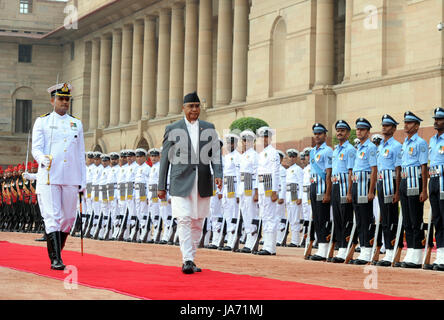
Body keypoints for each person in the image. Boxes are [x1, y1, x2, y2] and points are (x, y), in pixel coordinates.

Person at [157, 92, 223, 274]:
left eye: (197, 106)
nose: (194, 109)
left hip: (202, 181)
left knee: (198, 222)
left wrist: (218, 173)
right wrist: (161, 186)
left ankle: (191, 258)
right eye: (191, 106)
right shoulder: (173, 128)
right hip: (180, 181)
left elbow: (215, 154)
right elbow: (164, 159)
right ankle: (186, 258)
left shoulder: (209, 128)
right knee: (184, 219)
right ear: (183, 108)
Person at [31, 83, 86, 270]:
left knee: (69, 218)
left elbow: (80, 154)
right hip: (49, 176)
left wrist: (83, 181)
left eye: (67, 99)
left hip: (71, 177)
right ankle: (55, 258)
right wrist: (41, 159)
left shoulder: (76, 123)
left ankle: (57, 251)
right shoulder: (43, 121)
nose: (64, 102)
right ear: (52, 100)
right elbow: (36, 148)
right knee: (52, 216)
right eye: (61, 99)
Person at [399, 111, 428, 268]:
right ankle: (410, 249)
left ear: (416, 126)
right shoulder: (405, 142)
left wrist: (424, 189)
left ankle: (417, 252)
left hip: (414, 182)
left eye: (409, 123)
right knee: (407, 219)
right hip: (404, 181)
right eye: (405, 122)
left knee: (415, 217)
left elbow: (423, 167)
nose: (406, 125)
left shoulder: (420, 142)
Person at [349, 118, 378, 265]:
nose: (359, 131)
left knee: (366, 218)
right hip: (356, 185)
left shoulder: (370, 147)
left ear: (368, 132)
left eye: (362, 129)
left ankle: (367, 250)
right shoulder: (358, 148)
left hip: (364, 186)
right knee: (359, 218)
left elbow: (374, 169)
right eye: (358, 129)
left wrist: (371, 190)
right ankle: (363, 247)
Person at [375, 115, 402, 267]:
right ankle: (388, 249)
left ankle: (392, 250)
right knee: (384, 218)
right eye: (383, 125)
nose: (384, 128)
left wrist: (397, 191)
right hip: (381, 183)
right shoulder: (381, 147)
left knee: (391, 218)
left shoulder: (396, 146)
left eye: (387, 126)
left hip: (391, 183)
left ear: (393, 129)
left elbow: (398, 170)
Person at [330, 120, 355, 263]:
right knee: (338, 218)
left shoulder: (350, 149)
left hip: (346, 186)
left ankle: (346, 247)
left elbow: (351, 171)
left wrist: (350, 192)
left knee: (346, 218)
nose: (339, 132)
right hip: (335, 185)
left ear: (347, 133)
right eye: (338, 130)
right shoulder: (336, 150)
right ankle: (340, 247)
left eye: (343, 130)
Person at [308, 123, 333, 261]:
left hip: (323, 188)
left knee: (323, 218)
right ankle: (320, 245)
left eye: (320, 133)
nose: (317, 136)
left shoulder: (328, 151)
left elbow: (329, 173)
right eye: (315, 133)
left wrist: (328, 193)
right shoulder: (312, 151)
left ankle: (324, 247)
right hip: (313, 187)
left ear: (325, 135)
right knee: (316, 218)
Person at [255, 126, 280, 255]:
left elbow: (275, 172)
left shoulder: (272, 152)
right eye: (261, 137)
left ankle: (270, 247)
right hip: (262, 187)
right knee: (264, 216)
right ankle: (266, 244)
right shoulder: (261, 153)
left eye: (266, 137)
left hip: (269, 187)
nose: (263, 139)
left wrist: (274, 190)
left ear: (270, 138)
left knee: (270, 216)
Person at [237, 130, 259, 253]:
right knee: (245, 214)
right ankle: (248, 240)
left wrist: (256, 191)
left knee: (251, 213)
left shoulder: (255, 155)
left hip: (250, 186)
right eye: (244, 140)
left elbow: (256, 173)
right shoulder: (243, 155)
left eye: (248, 140)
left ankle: (253, 240)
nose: (246, 142)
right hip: (242, 187)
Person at [428, 107, 444, 271]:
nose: (436, 121)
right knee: (437, 219)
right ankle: (440, 254)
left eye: (439, 119)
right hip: (433, 180)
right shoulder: (432, 140)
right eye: (436, 118)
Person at [220, 133, 241, 251]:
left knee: (233, 213)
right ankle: (228, 238)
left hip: (234, 185)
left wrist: (238, 193)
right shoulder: (226, 156)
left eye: (231, 142)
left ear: (235, 144)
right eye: (228, 142)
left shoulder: (237, 156)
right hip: (227, 186)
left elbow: (238, 175)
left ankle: (233, 240)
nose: (229, 145)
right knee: (227, 213)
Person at [284, 149, 304, 247]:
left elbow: (301, 183)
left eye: (293, 157)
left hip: (294, 193)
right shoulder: (287, 170)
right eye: (290, 156)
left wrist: (300, 197)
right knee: (291, 218)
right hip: (288, 194)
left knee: (295, 218)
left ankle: (295, 241)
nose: (291, 159)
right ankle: (293, 239)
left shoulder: (298, 169)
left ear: (296, 158)